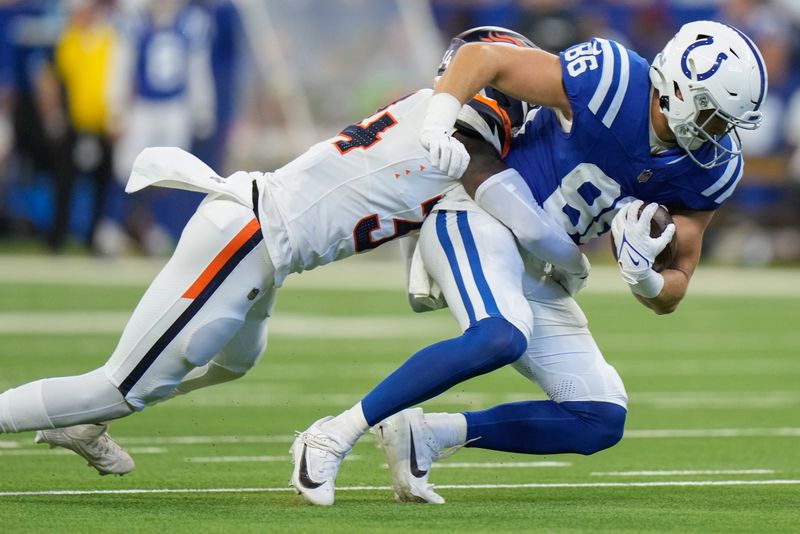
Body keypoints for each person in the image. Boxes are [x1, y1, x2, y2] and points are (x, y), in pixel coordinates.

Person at [0, 28, 584, 476]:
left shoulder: (427, 117)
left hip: (259, 238)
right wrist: (578, 260)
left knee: (235, 360)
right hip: (249, 234)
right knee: (117, 386)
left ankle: (87, 421)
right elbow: (534, 232)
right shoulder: (464, 140)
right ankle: (93, 410)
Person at [290, 20, 767, 505]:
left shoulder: (712, 168)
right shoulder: (614, 80)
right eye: (713, 116)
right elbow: (483, 57)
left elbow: (676, 286)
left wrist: (643, 277)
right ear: (677, 91)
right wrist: (436, 122)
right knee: (499, 334)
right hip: (481, 214)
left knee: (600, 417)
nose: (720, 133)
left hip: (545, 267)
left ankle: (427, 436)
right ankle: (331, 435)